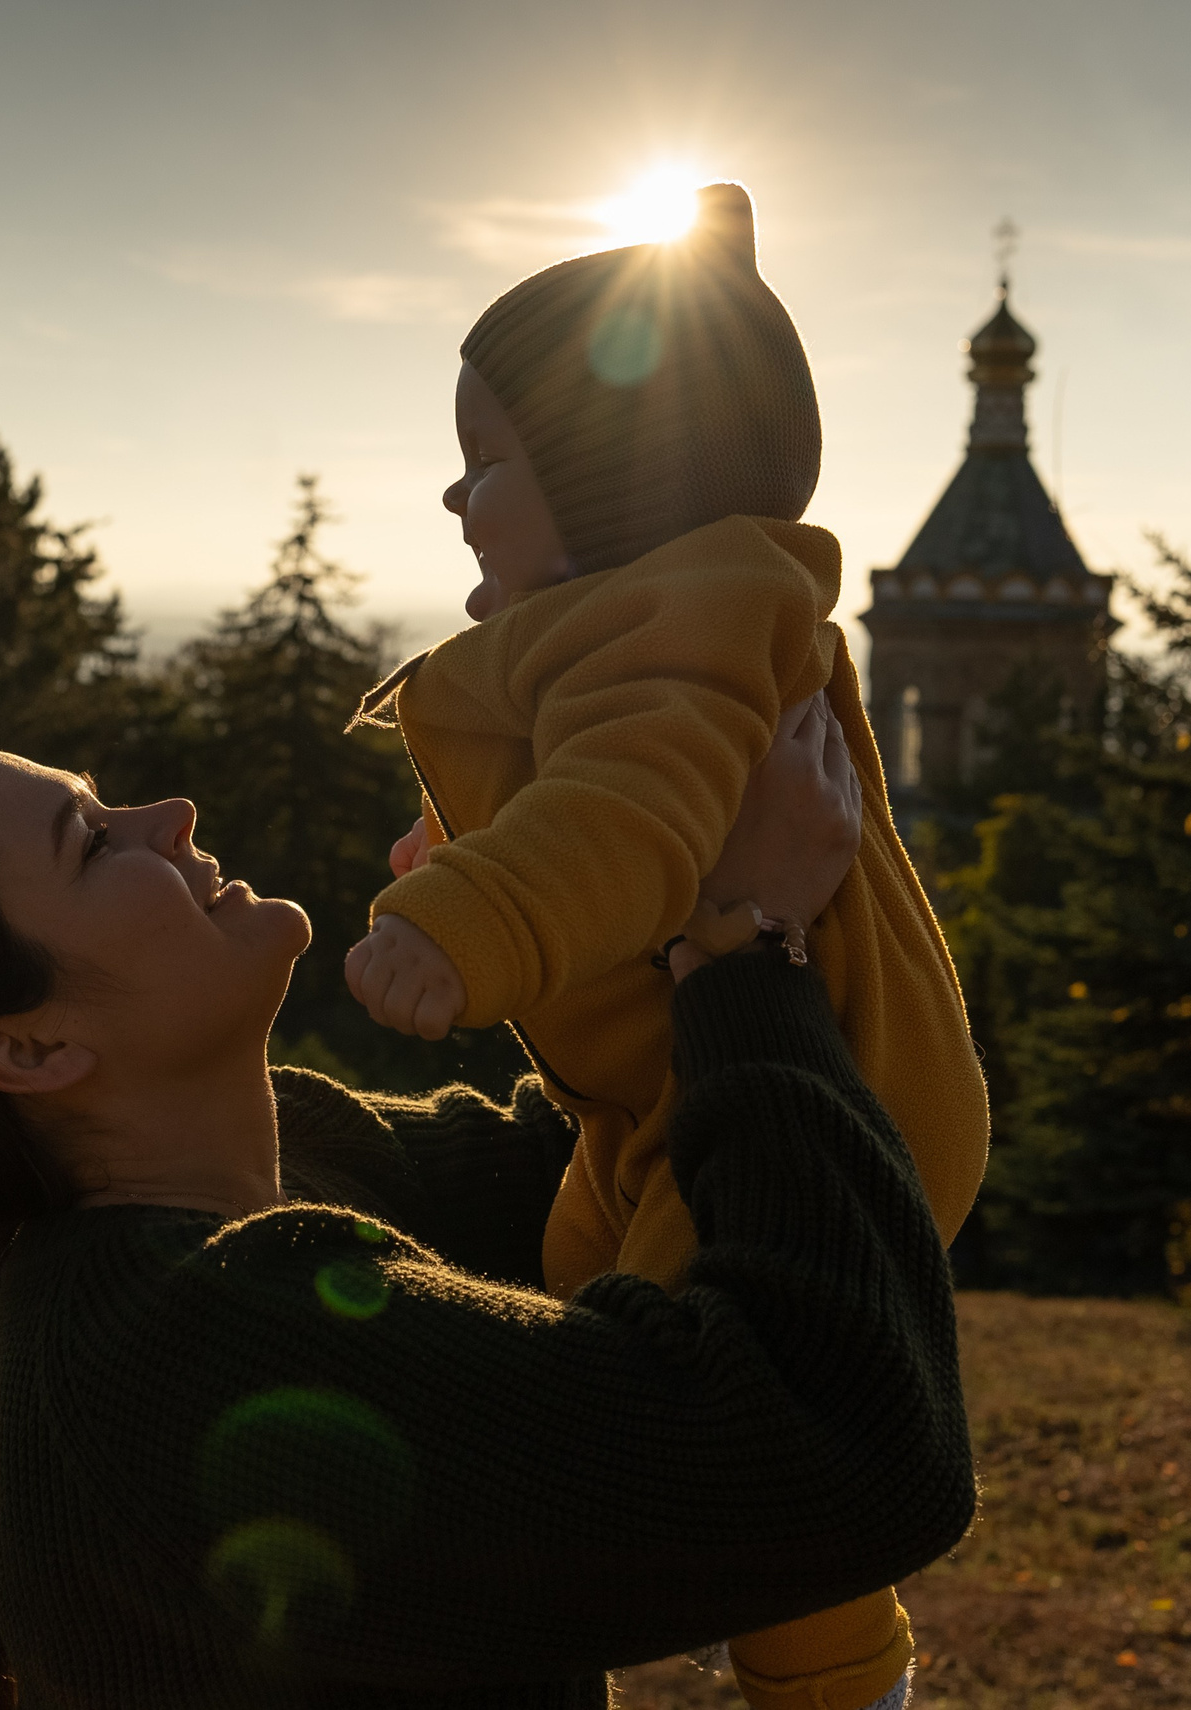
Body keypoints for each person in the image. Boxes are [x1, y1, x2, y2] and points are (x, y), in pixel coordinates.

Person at [0, 706, 972, 1710]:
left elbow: (622, 1170)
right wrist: (750, 943)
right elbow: (843, 1449)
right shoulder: (187, 1356)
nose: (169, 814)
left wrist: (579, 898)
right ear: (29, 1047)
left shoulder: (294, 1164)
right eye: (92, 840)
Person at [341, 182, 991, 1710]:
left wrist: (472, 916)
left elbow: (632, 816)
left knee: (731, 1380)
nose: (456, 496)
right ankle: (729, 1584)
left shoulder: (680, 622)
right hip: (681, 1096)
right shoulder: (650, 615)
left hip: (814, 1093)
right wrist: (478, 835)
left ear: (613, 481)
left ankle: (830, 1666)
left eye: (489, 463)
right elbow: (605, 783)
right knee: (585, 1279)